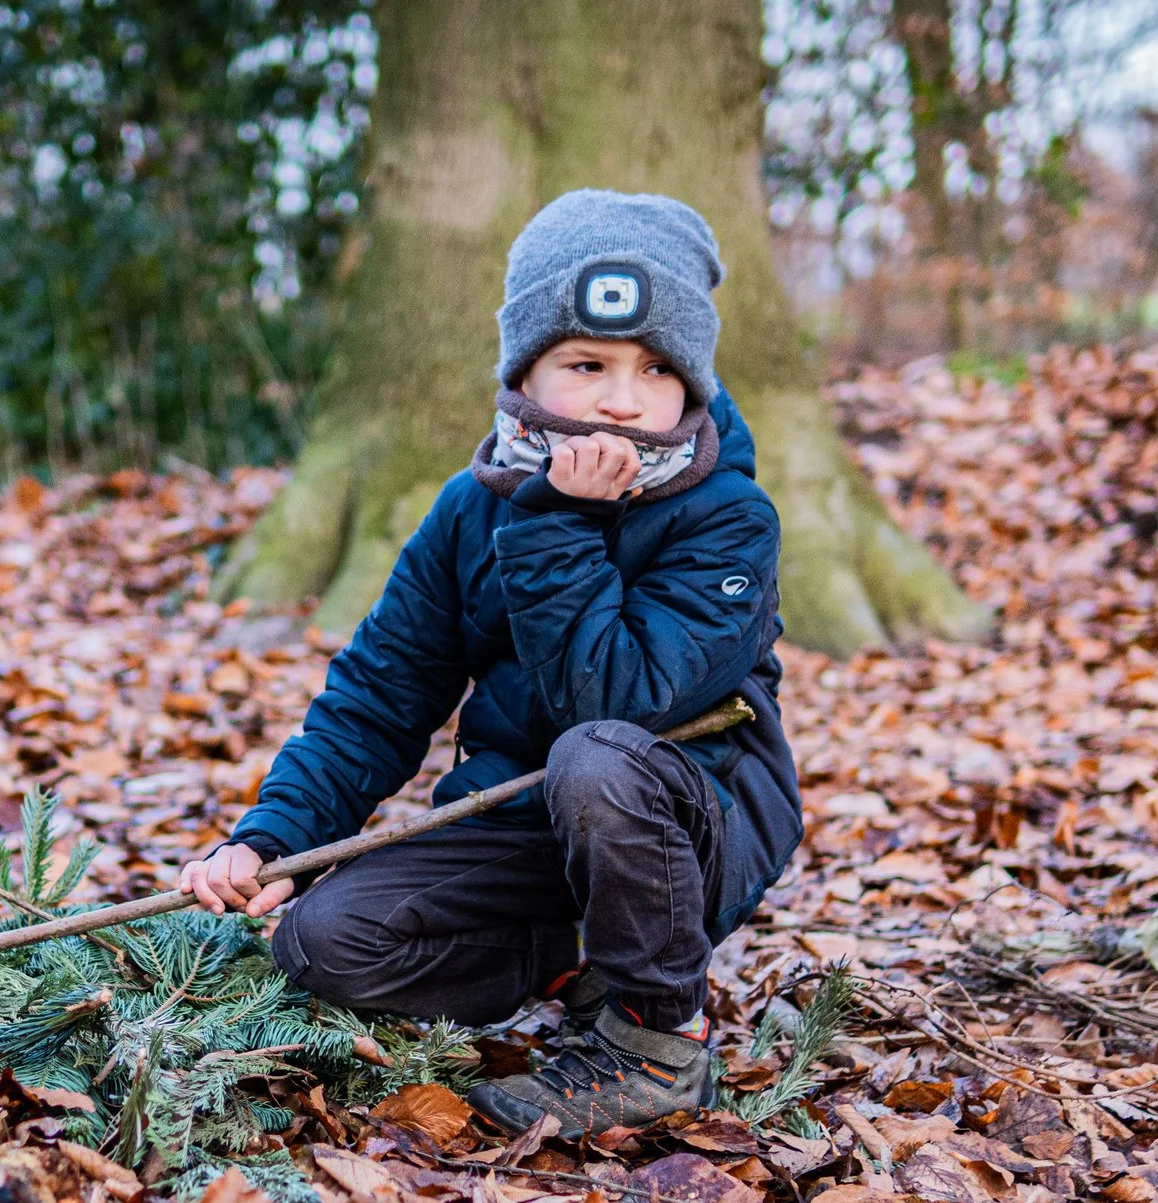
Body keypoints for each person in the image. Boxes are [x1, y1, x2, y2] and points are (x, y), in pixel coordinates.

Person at [179, 189, 803, 1136]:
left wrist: (558, 523)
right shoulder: (472, 510)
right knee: (323, 942)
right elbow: (381, 693)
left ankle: (653, 1040)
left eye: (657, 369)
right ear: (525, 371)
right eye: (586, 364)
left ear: (694, 383)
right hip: (522, 818)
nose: (622, 398)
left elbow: (623, 699)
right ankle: (570, 959)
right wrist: (274, 841)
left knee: (595, 756)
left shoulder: (726, 518)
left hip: (684, 818)